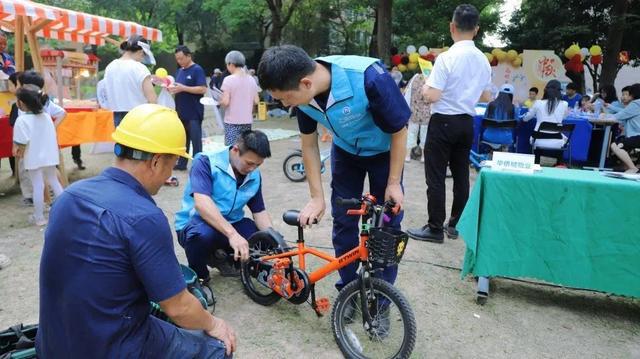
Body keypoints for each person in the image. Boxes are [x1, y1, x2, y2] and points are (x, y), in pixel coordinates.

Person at [36, 104, 236, 358]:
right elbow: (178, 308)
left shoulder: (69, 196)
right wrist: (215, 324)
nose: (168, 176)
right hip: (114, 347)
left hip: (54, 344)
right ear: (155, 162)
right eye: (171, 164)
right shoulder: (143, 217)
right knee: (217, 349)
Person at [257, 45, 409, 298]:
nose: (285, 105)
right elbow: (309, 144)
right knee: (344, 221)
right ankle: (350, 289)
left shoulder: (369, 78)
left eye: (285, 99)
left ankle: (380, 298)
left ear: (305, 83)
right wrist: (317, 197)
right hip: (347, 154)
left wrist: (394, 182)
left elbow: (399, 130)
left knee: (386, 226)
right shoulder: (305, 97)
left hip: (384, 153)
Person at [407, 4, 492, 243]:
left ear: (452, 27)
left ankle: (435, 228)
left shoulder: (446, 58)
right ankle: (455, 225)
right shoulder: (483, 60)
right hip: (467, 122)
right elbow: (487, 96)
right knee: (461, 175)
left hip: (443, 121)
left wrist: (424, 88)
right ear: (476, 29)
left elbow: (432, 96)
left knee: (435, 176)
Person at [175, 130, 272, 280]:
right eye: (249, 163)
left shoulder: (254, 175)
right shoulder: (206, 162)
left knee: (263, 240)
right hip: (197, 223)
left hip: (231, 223)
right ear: (235, 150)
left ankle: (223, 259)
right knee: (200, 236)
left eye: (258, 165)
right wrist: (232, 235)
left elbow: (259, 211)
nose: (252, 169)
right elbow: (202, 204)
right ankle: (200, 278)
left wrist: (274, 240)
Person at [12, 84, 64, 226]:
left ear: (21, 103)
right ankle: (66, 212)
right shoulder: (46, 117)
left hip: (33, 157)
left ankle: (40, 217)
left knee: (37, 185)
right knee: (54, 181)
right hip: (50, 155)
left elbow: (21, 143)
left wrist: (18, 153)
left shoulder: (21, 120)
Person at [103, 35, 157, 127]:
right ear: (140, 52)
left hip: (116, 114)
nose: (142, 59)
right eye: (144, 55)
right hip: (138, 115)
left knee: (121, 140)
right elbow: (152, 99)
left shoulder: (110, 67)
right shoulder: (139, 68)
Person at [168, 45, 207, 171]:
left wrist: (183, 88)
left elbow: (203, 89)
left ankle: (198, 166)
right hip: (181, 111)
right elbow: (178, 86)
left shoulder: (197, 70)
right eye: (177, 59)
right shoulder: (179, 71)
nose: (179, 61)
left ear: (189, 56)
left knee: (196, 141)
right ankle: (182, 163)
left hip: (194, 112)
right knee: (182, 140)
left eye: (181, 58)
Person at [522, 79, 569, 163]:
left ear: (545, 90)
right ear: (559, 91)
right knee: (564, 139)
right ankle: (559, 163)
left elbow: (526, 118)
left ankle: (536, 161)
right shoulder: (564, 104)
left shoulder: (538, 103)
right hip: (557, 140)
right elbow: (564, 117)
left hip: (538, 140)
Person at [220, 50, 260, 146]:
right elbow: (256, 100)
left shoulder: (228, 80)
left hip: (232, 122)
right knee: (244, 149)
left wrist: (219, 100)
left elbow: (225, 102)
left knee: (232, 149)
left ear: (231, 64)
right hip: (247, 121)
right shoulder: (251, 79)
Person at [604, 83, 640, 173]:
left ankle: (633, 168)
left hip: (636, 136)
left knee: (615, 145)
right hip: (636, 136)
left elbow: (619, 116)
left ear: (633, 94)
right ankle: (628, 167)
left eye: (628, 94)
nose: (625, 96)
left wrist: (604, 116)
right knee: (621, 142)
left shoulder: (636, 104)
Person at [404, 72, 430, 162]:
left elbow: (407, 91)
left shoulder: (414, 77)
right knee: (425, 133)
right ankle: (423, 156)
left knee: (411, 132)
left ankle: (407, 155)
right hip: (426, 112)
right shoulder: (431, 78)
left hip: (414, 110)